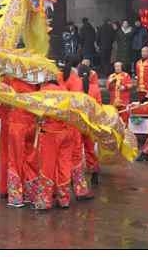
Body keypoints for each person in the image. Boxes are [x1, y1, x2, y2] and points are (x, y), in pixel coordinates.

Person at [34, 80, 74, 210]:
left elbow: (40, 112)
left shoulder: (45, 90)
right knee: (64, 165)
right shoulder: (63, 89)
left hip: (51, 132)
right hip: (67, 132)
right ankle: (64, 199)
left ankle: (45, 200)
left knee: (47, 165)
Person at [59, 56, 94, 200]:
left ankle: (60, 192)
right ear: (78, 65)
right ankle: (80, 190)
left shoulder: (59, 77)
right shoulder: (77, 80)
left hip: (58, 123)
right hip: (73, 124)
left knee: (60, 158)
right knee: (76, 156)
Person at [3, 77, 39, 207]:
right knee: (30, 159)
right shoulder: (34, 84)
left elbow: (5, 102)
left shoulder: (13, 83)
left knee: (15, 160)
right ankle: (31, 194)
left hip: (17, 125)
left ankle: (15, 197)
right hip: (32, 124)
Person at [78, 59, 101, 184]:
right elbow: (99, 107)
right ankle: (94, 172)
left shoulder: (76, 88)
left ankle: (76, 178)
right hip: (91, 123)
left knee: (76, 149)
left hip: (78, 123)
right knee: (90, 149)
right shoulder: (95, 88)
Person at [107, 61, 133, 126]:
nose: (117, 68)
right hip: (114, 101)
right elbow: (108, 87)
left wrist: (124, 87)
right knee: (114, 119)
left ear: (121, 67)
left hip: (123, 101)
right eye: (116, 66)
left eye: (119, 66)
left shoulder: (126, 75)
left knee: (124, 118)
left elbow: (130, 85)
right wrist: (111, 82)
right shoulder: (111, 76)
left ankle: (125, 130)